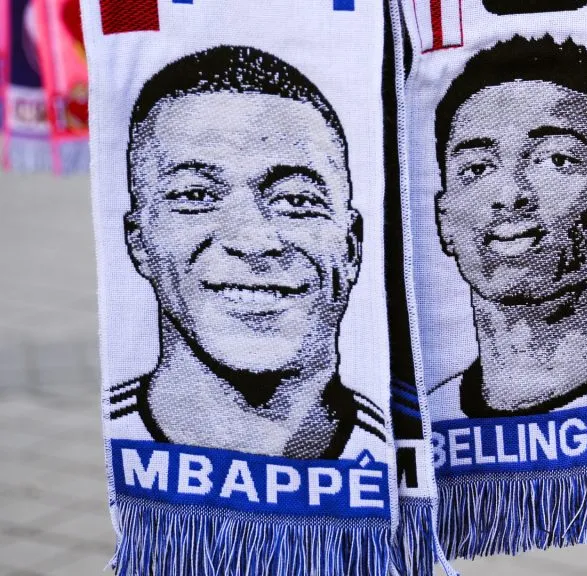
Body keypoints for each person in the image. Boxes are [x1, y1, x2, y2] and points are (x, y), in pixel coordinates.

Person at [106, 45, 386, 460]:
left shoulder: (419, 455)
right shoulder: (115, 448)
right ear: (138, 240)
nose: (254, 240)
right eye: (196, 195)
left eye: (295, 200)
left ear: (350, 245)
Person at [429, 34, 587, 418]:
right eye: (477, 169)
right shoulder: (433, 420)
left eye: (555, 160)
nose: (510, 194)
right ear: (444, 221)